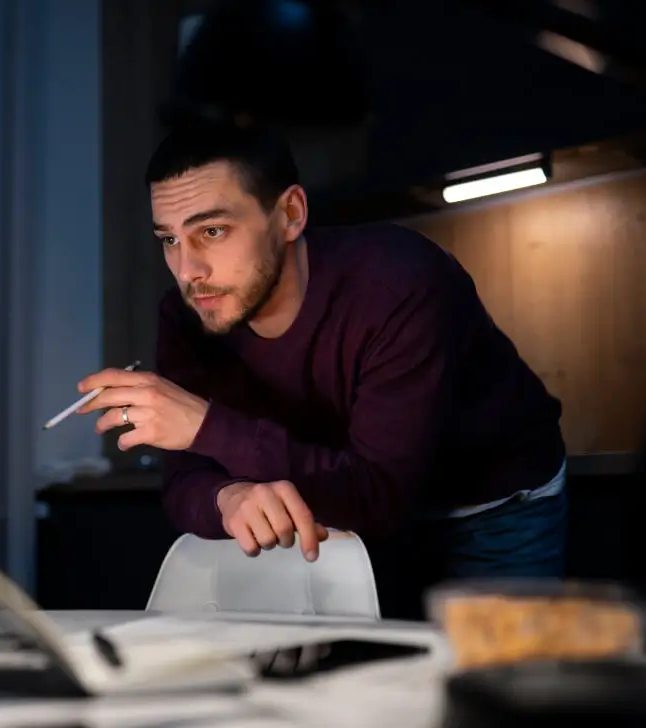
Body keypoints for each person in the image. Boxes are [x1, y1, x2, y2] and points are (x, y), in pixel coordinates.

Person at [76, 119, 568, 619]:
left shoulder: (399, 283)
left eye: (212, 231)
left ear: (290, 214)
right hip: (341, 509)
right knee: (365, 667)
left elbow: (382, 497)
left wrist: (205, 425)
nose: (188, 271)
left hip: (491, 503)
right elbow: (186, 480)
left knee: (491, 665)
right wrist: (227, 496)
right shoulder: (187, 315)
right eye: (169, 239)